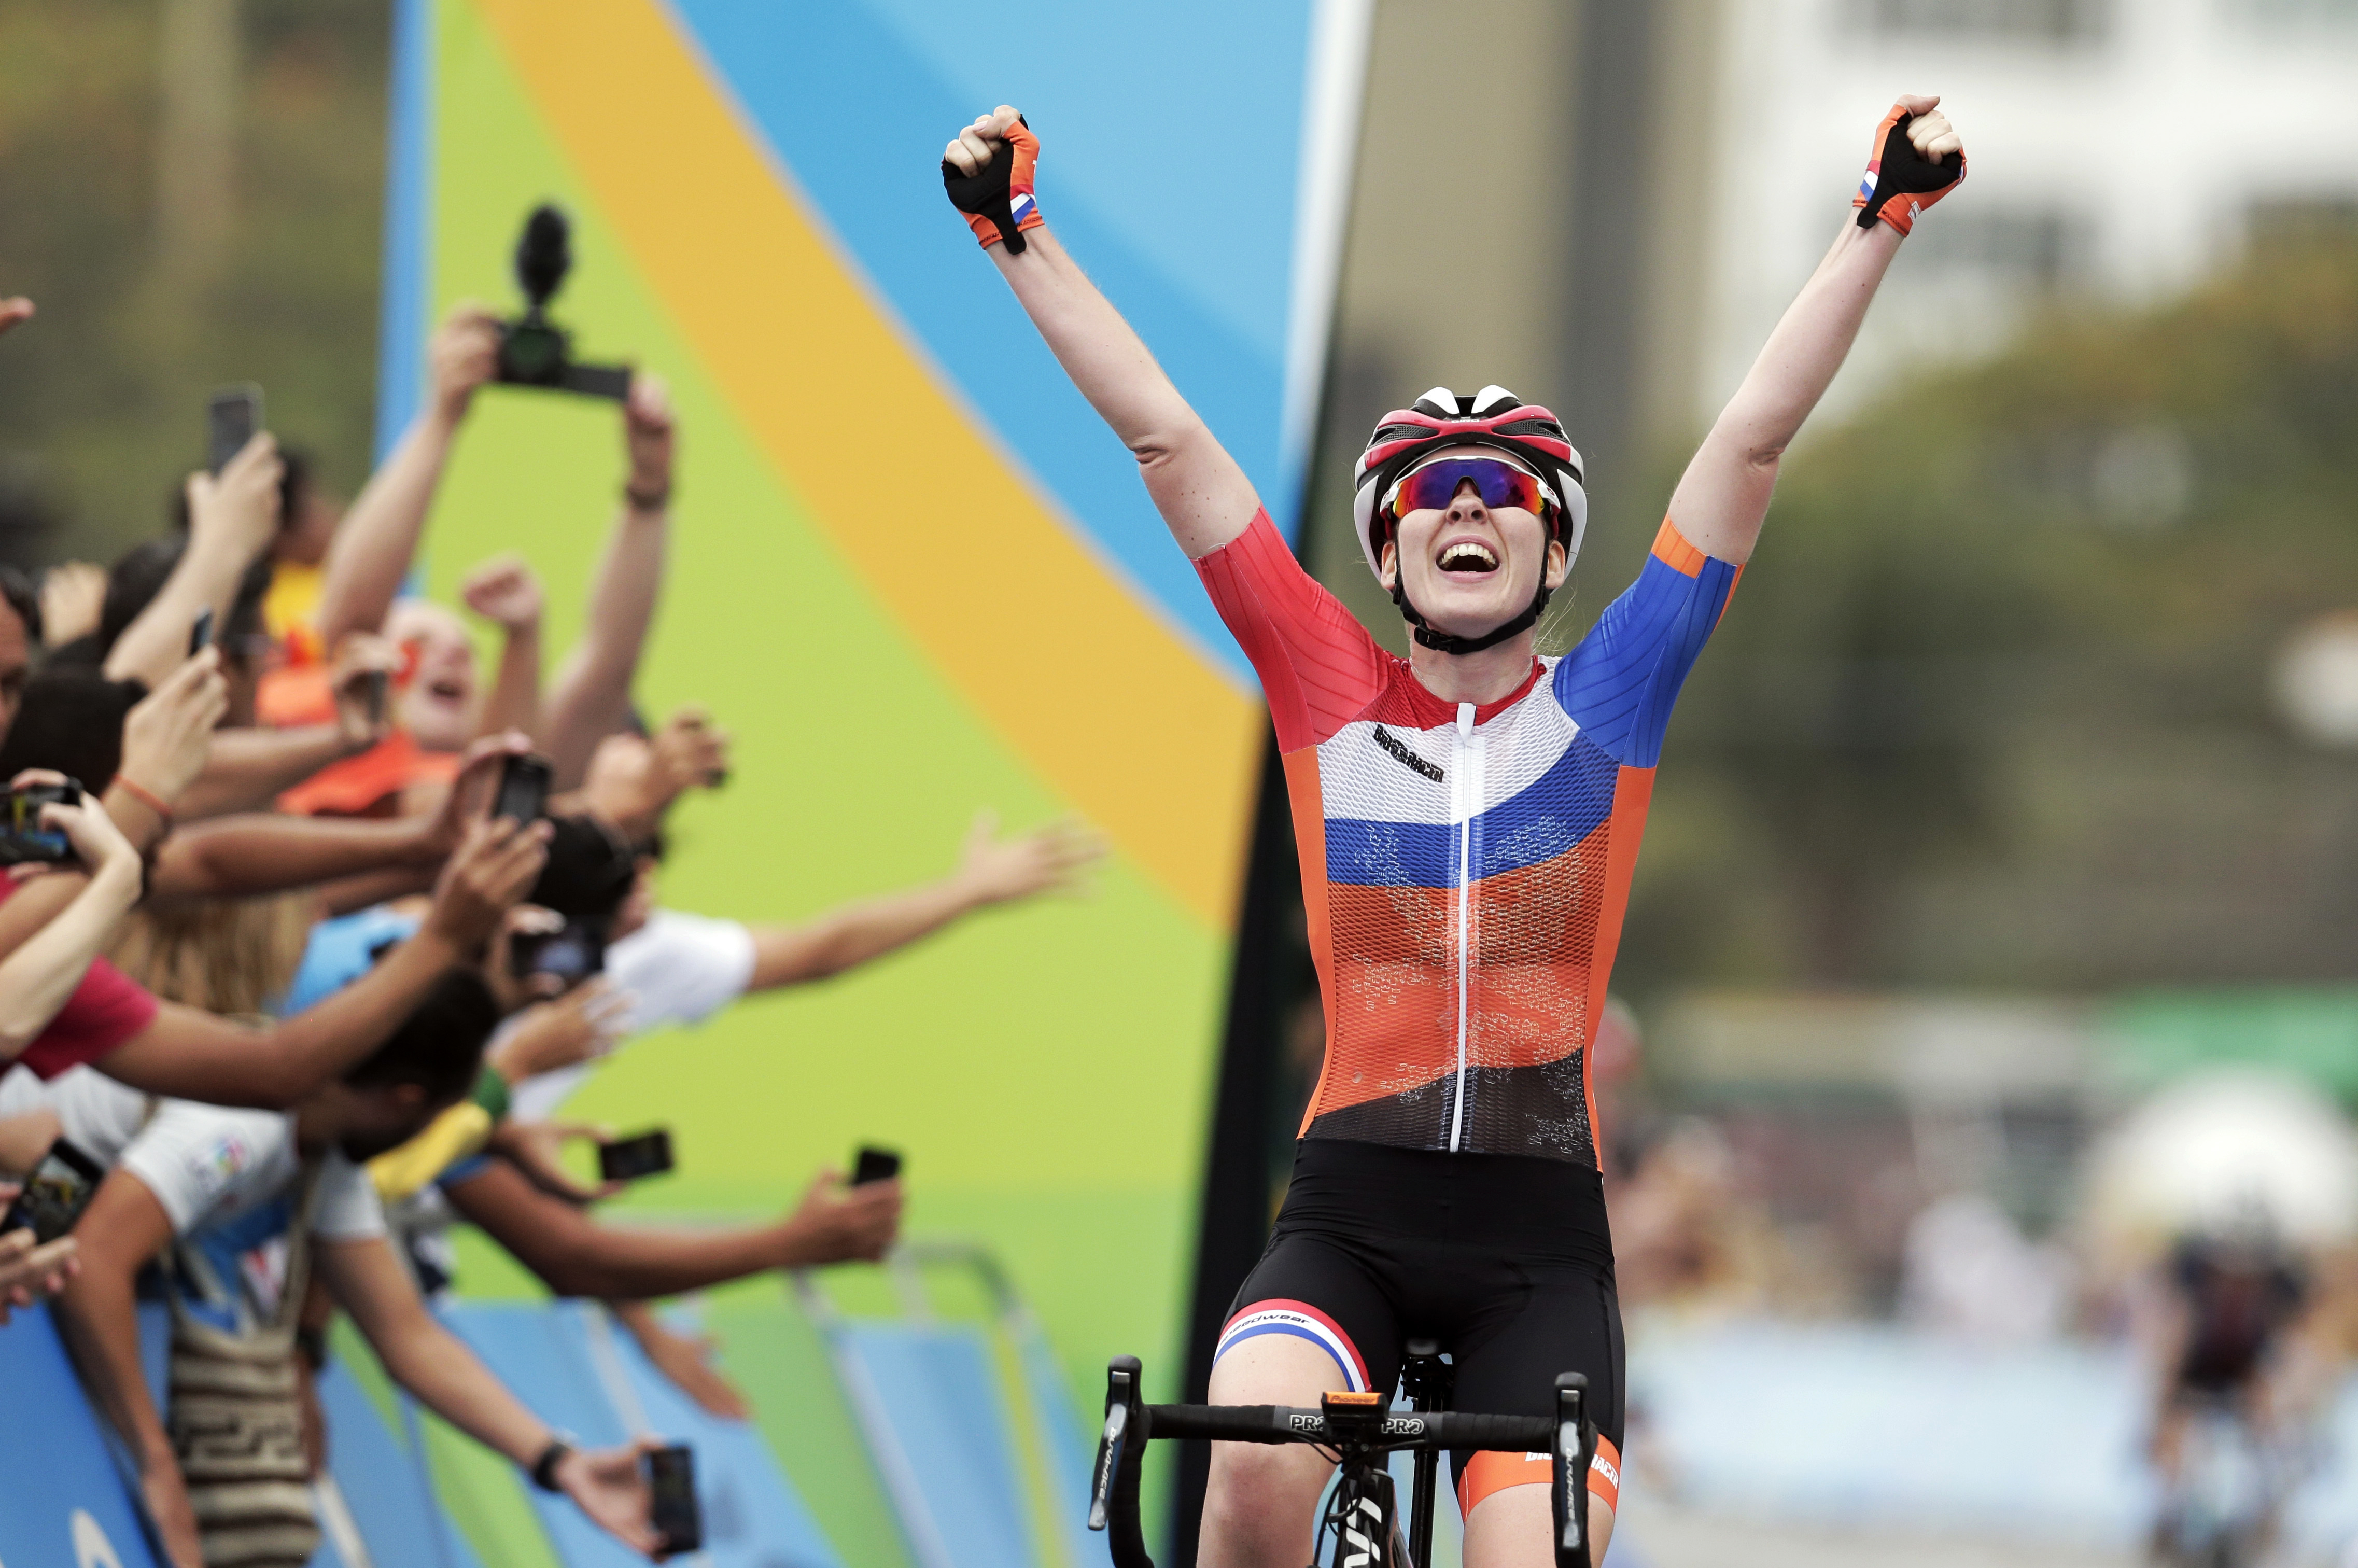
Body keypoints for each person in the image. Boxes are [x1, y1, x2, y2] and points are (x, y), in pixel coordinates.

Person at [939, 93, 1967, 1566]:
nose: (1464, 508)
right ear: (1388, 546)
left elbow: (1745, 450)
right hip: (1344, 1221)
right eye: (1430, 495)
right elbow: (1168, 445)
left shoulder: (1614, 695)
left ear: (1551, 546)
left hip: (1536, 1252)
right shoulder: (1323, 686)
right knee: (1242, 1485)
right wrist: (1012, 235)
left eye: (1501, 494)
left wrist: (1877, 221)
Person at [49, 972, 666, 1566]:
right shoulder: (242, 1123)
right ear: (405, 1101)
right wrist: (157, 1466)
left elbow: (408, 1336)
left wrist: (559, 1461)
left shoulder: (332, 1146)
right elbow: (95, 1261)